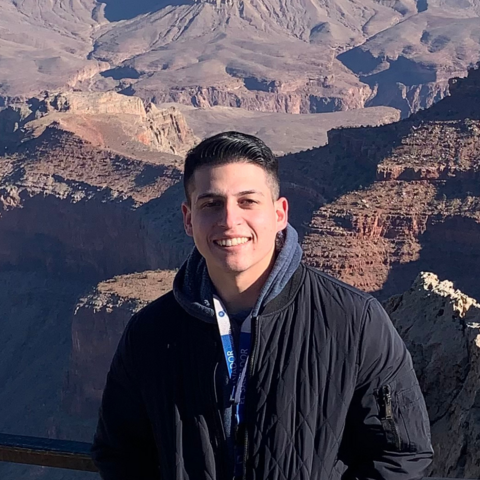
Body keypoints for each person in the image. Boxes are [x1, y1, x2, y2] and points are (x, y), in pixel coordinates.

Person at [92, 131, 433, 480]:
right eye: (211, 204)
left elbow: (400, 455)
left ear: (279, 213)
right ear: (188, 218)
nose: (229, 220)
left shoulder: (353, 322)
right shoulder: (151, 332)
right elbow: (120, 453)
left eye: (247, 201)